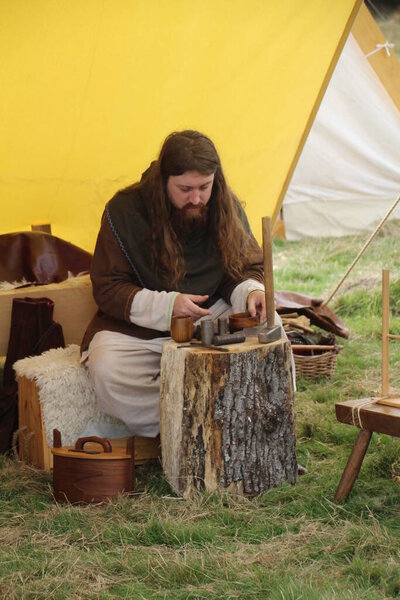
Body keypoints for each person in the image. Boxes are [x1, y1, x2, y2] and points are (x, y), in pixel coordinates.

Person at [81, 130, 269, 438]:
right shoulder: (125, 212)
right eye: (184, 189)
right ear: (163, 182)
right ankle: (194, 431)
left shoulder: (223, 204)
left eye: (204, 187)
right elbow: (108, 286)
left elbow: (243, 268)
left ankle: (245, 425)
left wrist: (251, 292)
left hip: (210, 320)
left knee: (269, 333)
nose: (196, 198)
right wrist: (168, 305)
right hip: (142, 331)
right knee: (107, 370)